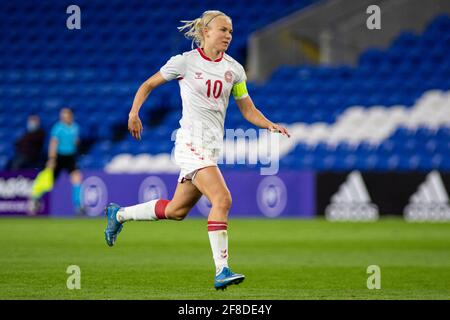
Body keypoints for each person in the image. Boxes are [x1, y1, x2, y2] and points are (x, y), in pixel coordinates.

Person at [104, 10, 290, 290]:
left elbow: (247, 109)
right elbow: (148, 84)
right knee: (222, 199)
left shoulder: (235, 70)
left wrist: (269, 124)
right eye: (223, 30)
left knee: (177, 210)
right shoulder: (185, 62)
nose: (228, 35)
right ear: (206, 32)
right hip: (191, 143)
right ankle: (222, 270)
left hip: (211, 148)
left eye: (230, 31)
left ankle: (118, 215)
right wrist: (134, 112)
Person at [31, 108, 84, 215]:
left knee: (77, 179)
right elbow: (53, 143)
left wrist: (76, 143)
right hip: (59, 157)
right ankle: (36, 197)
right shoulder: (58, 128)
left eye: (66, 115)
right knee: (50, 181)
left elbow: (75, 142)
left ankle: (78, 206)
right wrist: (52, 159)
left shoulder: (75, 127)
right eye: (62, 115)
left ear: (70, 116)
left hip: (70, 157)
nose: (64, 117)